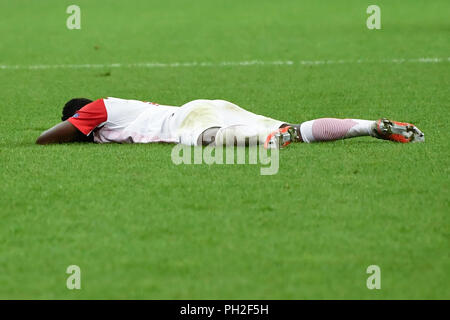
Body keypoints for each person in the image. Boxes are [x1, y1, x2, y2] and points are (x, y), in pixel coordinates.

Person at [36, 97, 425, 148]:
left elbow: (45, 140)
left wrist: (76, 128)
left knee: (199, 140)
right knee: (302, 130)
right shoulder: (128, 108)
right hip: (213, 103)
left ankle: (271, 139)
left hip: (188, 117)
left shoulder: (99, 108)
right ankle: (367, 126)